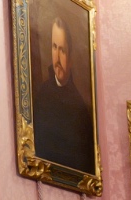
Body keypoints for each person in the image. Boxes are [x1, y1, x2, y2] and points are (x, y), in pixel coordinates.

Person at [32, 12, 93, 174]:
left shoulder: (80, 109)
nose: (57, 58)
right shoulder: (41, 95)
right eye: (54, 47)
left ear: (71, 58)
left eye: (63, 50)